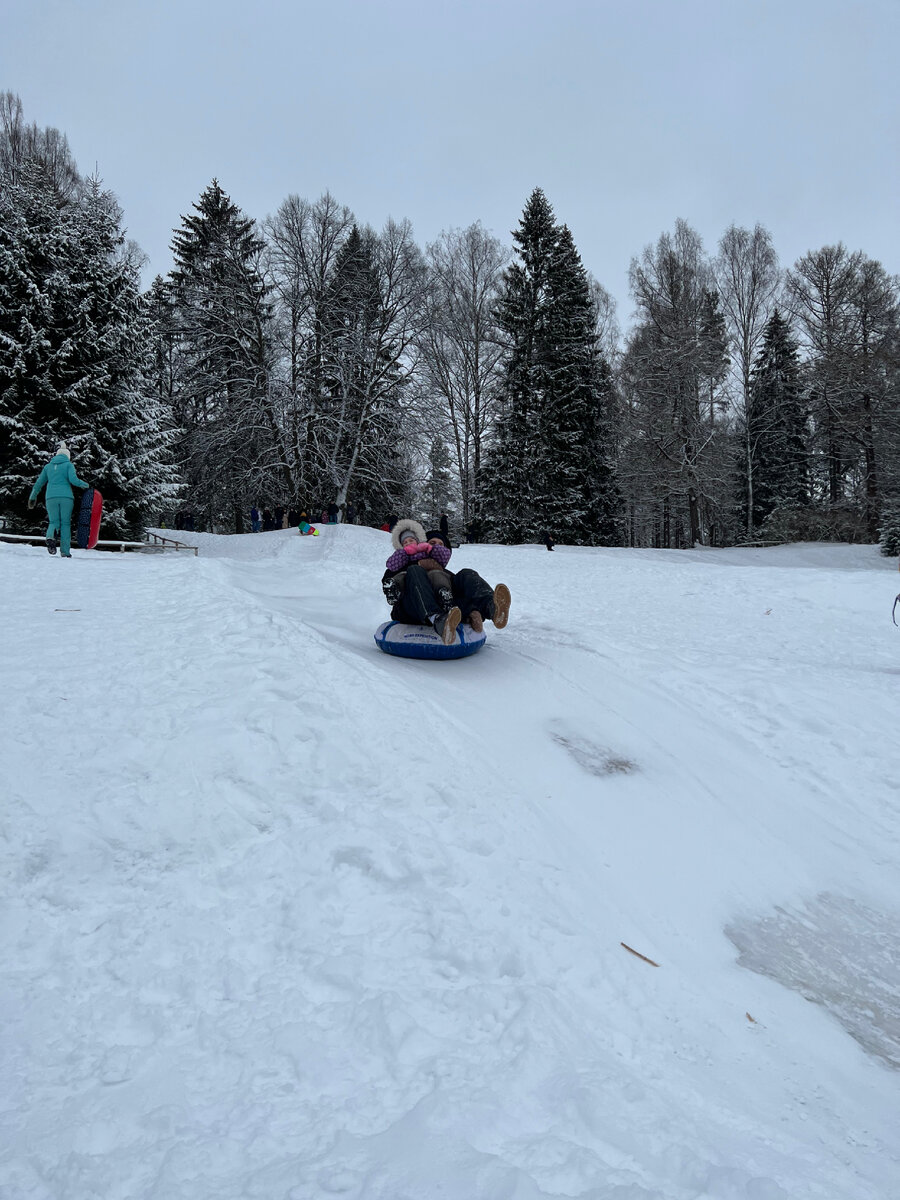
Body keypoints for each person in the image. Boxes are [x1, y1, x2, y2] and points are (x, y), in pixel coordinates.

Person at [381, 518, 461, 645]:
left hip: (436, 598)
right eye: (405, 542)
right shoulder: (402, 560)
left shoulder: (435, 565)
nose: (409, 543)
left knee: (455, 576)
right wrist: (414, 563)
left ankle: (489, 607)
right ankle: (435, 617)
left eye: (411, 540)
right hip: (409, 609)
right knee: (413, 571)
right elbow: (389, 573)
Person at [423, 529, 511, 634]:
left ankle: (493, 608)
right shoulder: (413, 569)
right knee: (436, 577)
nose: (437, 547)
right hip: (428, 606)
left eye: (441, 544)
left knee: (466, 574)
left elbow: (459, 597)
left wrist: (472, 611)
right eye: (432, 543)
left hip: (451, 605)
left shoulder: (449, 575)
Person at [28, 441, 90, 557]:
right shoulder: (68, 465)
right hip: (66, 497)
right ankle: (65, 552)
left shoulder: (48, 467)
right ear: (67, 456)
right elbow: (74, 480)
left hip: (50, 497)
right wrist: (86, 485)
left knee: (53, 521)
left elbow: (39, 483)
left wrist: (32, 497)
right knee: (65, 523)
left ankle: (50, 537)